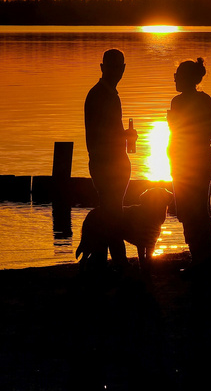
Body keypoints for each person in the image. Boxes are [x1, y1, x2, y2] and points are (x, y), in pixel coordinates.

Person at [84, 48, 137, 262]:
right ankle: (117, 261)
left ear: (123, 69)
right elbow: (100, 135)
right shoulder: (98, 95)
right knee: (112, 213)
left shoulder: (110, 94)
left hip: (115, 163)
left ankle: (102, 260)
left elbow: (109, 131)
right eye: (112, 66)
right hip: (106, 164)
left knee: (111, 212)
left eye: (119, 66)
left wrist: (125, 136)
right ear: (102, 67)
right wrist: (125, 135)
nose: (116, 71)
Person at [167, 57, 211, 264]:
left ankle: (203, 254)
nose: (175, 79)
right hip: (187, 159)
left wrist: (176, 124)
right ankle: (201, 253)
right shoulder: (204, 101)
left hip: (191, 159)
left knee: (193, 208)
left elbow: (206, 132)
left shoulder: (180, 102)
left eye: (177, 76)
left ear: (186, 78)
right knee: (192, 208)